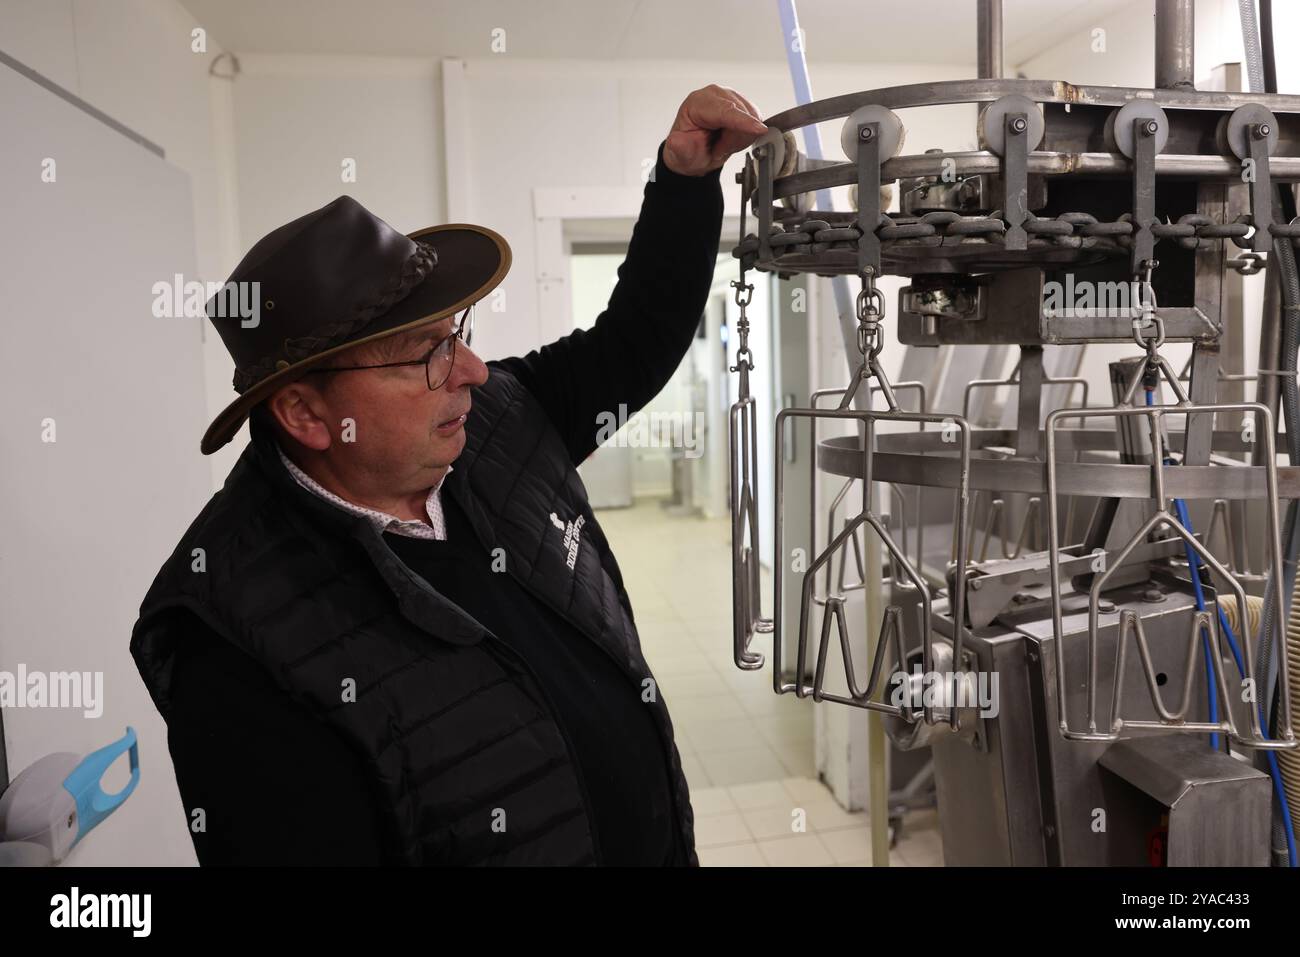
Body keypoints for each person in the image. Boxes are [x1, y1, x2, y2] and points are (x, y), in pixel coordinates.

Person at [130, 85, 768, 865]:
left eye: (455, 333)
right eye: (426, 351)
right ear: (305, 413)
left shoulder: (497, 423)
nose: (470, 369)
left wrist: (683, 180)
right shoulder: (234, 636)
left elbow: (632, 343)